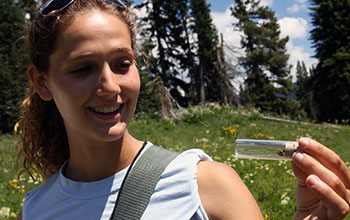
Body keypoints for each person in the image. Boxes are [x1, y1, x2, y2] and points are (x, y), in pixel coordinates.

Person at [15, 0, 350, 219]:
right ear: (42, 83)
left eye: (122, 64)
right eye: (82, 69)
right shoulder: (36, 208)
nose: (111, 86)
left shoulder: (207, 186)